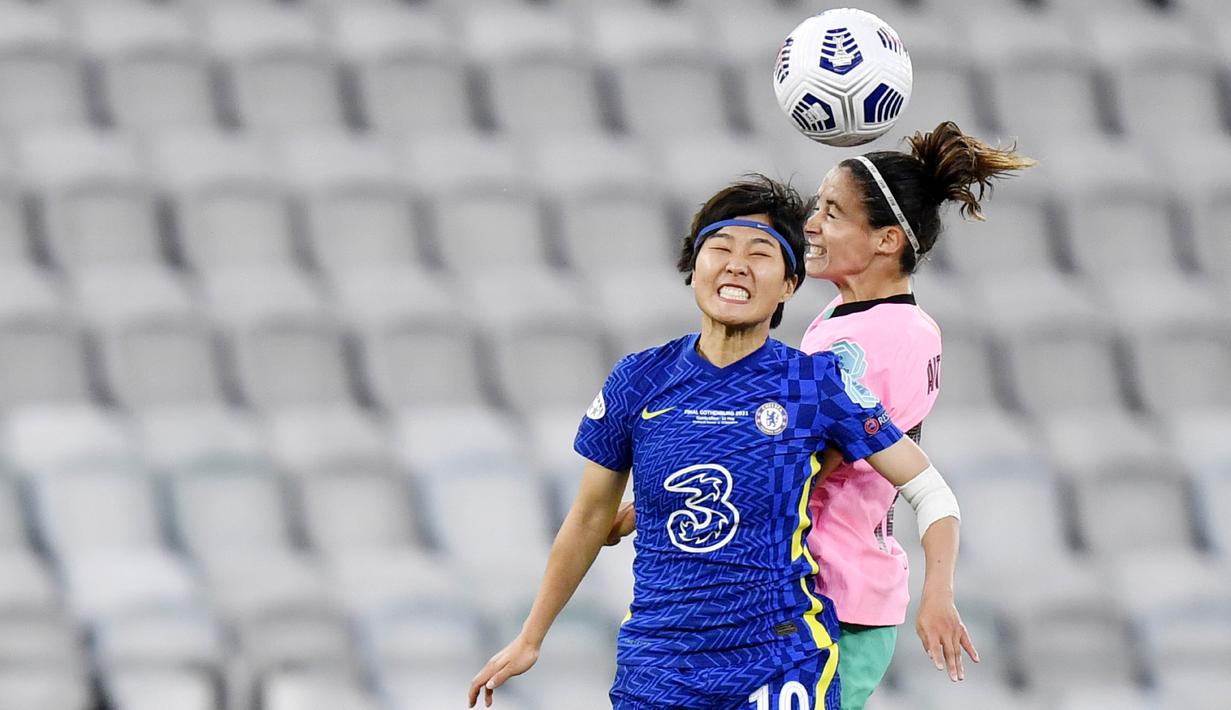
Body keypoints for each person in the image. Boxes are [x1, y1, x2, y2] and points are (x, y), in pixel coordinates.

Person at [468, 175, 966, 709]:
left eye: (761, 252)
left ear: (789, 284)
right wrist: (530, 638)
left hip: (777, 660)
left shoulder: (814, 384)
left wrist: (938, 590)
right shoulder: (638, 380)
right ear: (694, 267)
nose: (736, 264)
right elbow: (590, 517)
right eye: (720, 247)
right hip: (658, 664)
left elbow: (930, 490)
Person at [606, 121, 1035, 709]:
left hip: (836, 597)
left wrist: (654, 506)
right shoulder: (843, 317)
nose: (810, 226)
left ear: (885, 240)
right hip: (808, 590)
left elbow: (804, 456)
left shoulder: (887, 337)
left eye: (832, 213)